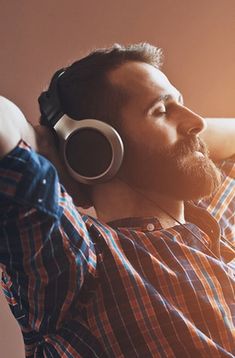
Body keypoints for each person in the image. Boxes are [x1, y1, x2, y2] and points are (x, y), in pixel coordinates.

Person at [0, 43, 234, 357]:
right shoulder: (80, 261)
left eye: (183, 104)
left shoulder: (215, 217)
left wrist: (184, 132)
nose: (199, 122)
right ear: (95, 146)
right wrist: (51, 141)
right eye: (161, 111)